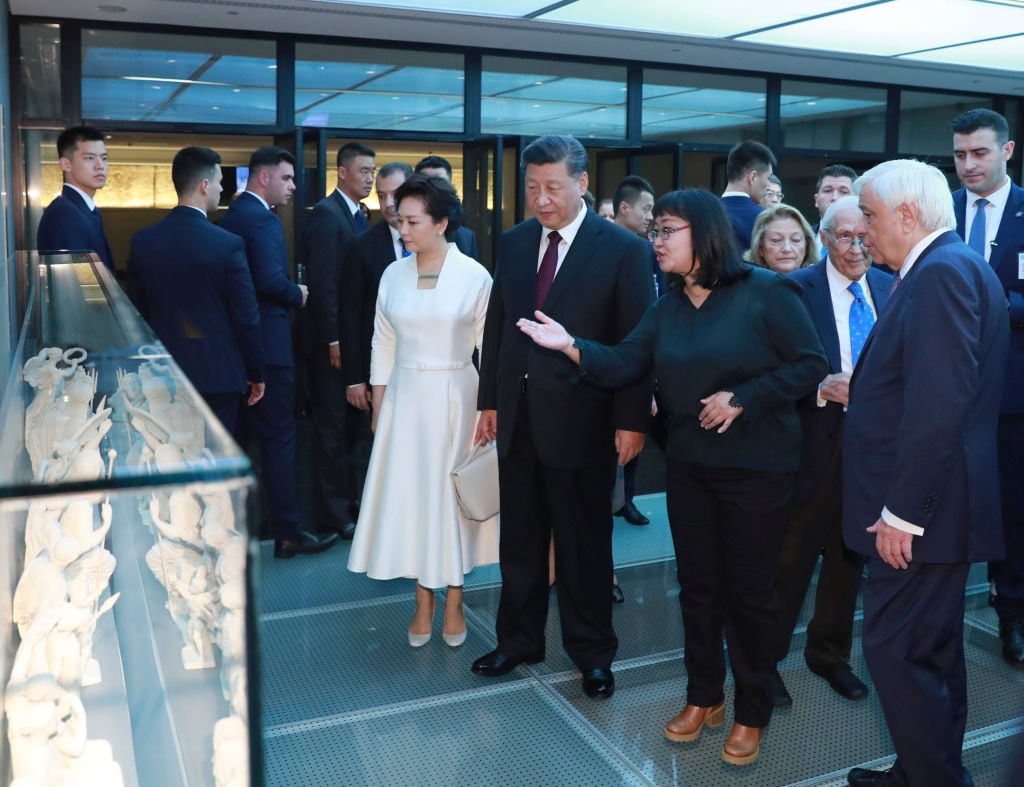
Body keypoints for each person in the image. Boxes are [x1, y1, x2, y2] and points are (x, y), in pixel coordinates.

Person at [517, 188, 828, 766]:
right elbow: (625, 362)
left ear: (703, 233)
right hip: (690, 468)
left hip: (758, 471)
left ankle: (751, 709)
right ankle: (704, 695)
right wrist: (571, 347)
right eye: (655, 231)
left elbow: (810, 364)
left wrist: (746, 396)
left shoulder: (767, 292)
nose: (656, 242)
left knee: (751, 595)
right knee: (700, 589)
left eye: (667, 231)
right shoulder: (668, 305)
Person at [470, 135, 654, 702]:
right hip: (519, 419)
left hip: (585, 421)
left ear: (581, 184)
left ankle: (593, 653)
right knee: (520, 543)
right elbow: (498, 327)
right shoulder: (516, 242)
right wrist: (490, 401)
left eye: (552, 187)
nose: (541, 200)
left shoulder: (622, 249)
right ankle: (518, 641)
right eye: (532, 187)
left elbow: (635, 343)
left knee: (584, 547)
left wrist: (631, 421)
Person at [843, 159, 1008, 787]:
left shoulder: (940, 274)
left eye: (873, 216)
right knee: (930, 653)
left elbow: (938, 405)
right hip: (942, 507)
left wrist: (901, 513)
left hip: (922, 513)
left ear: (908, 215)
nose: (864, 231)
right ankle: (923, 768)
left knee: (897, 652)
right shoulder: (952, 266)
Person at [347, 174, 497, 648]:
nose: (404, 229)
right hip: (405, 400)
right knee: (413, 499)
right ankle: (421, 598)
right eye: (399, 219)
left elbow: (489, 349)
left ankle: (453, 596)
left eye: (412, 221)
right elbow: (382, 340)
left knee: (451, 502)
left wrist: (490, 408)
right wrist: (378, 401)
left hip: (458, 397)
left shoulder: (474, 275)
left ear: (442, 223)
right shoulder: (393, 274)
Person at [769, 195, 891, 709]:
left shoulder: (891, 286)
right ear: (822, 238)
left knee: (848, 559)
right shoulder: (792, 290)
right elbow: (767, 373)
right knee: (789, 561)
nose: (857, 246)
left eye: (865, 235)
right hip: (810, 446)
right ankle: (764, 661)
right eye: (845, 236)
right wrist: (820, 386)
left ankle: (829, 655)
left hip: (872, 451)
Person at [219, 146, 338, 560]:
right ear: (264, 177)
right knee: (280, 441)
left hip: (238, 350)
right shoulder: (264, 220)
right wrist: (299, 294)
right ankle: (288, 532)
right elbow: (269, 281)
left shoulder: (231, 216)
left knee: (239, 442)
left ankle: (234, 531)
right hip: (269, 348)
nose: (293, 186)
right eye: (287, 178)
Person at [951, 108, 1024, 670]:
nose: (968, 164)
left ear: (1007, 151)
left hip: (1010, 393)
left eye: (979, 153)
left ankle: (1012, 610)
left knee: (1012, 507)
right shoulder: (939, 212)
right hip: (944, 392)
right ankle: (939, 612)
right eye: (959, 155)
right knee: (944, 501)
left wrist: (995, 305)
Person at [126, 146, 265, 434]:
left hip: (161, 374)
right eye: (219, 182)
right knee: (214, 460)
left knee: (169, 455)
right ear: (204, 185)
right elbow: (246, 317)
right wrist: (256, 372)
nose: (221, 189)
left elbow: (135, 313)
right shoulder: (227, 244)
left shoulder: (143, 240)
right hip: (218, 374)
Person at [301, 141, 376, 540]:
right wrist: (333, 339)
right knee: (331, 428)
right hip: (332, 345)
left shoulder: (359, 216)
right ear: (342, 172)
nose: (368, 178)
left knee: (352, 429)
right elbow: (324, 284)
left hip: (354, 341)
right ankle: (333, 514)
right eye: (363, 171)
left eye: (372, 172)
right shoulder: (327, 216)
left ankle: (351, 503)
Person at [340, 162, 414, 415]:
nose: (388, 203)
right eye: (382, 196)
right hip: (379, 373)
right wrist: (355, 378)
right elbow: (349, 315)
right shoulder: (361, 246)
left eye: (396, 193)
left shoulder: (442, 240)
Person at [611, 174, 660, 526]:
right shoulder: (598, 245)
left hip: (638, 359)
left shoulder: (647, 251)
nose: (650, 217)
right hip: (601, 358)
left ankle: (626, 500)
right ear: (624, 208)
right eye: (646, 209)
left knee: (633, 430)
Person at [37, 126, 115, 270]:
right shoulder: (64, 214)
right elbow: (73, 284)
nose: (100, 166)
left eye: (104, 158)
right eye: (90, 158)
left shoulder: (84, 209)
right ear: (66, 164)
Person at [414, 155, 480, 259]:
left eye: (440, 182)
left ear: (449, 186)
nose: (433, 188)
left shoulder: (466, 238)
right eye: (427, 182)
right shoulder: (404, 233)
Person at [720, 140, 777, 250]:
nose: (768, 186)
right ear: (753, 177)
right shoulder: (765, 219)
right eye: (768, 178)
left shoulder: (703, 215)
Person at [745, 203, 817, 274]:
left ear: (807, 245)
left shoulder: (822, 282)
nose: (787, 249)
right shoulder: (743, 284)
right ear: (760, 247)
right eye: (776, 240)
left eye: (796, 240)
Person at [810, 165, 857, 258]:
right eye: (827, 191)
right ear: (816, 200)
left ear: (856, 199)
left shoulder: (869, 242)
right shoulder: (802, 237)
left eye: (843, 192)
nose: (834, 198)